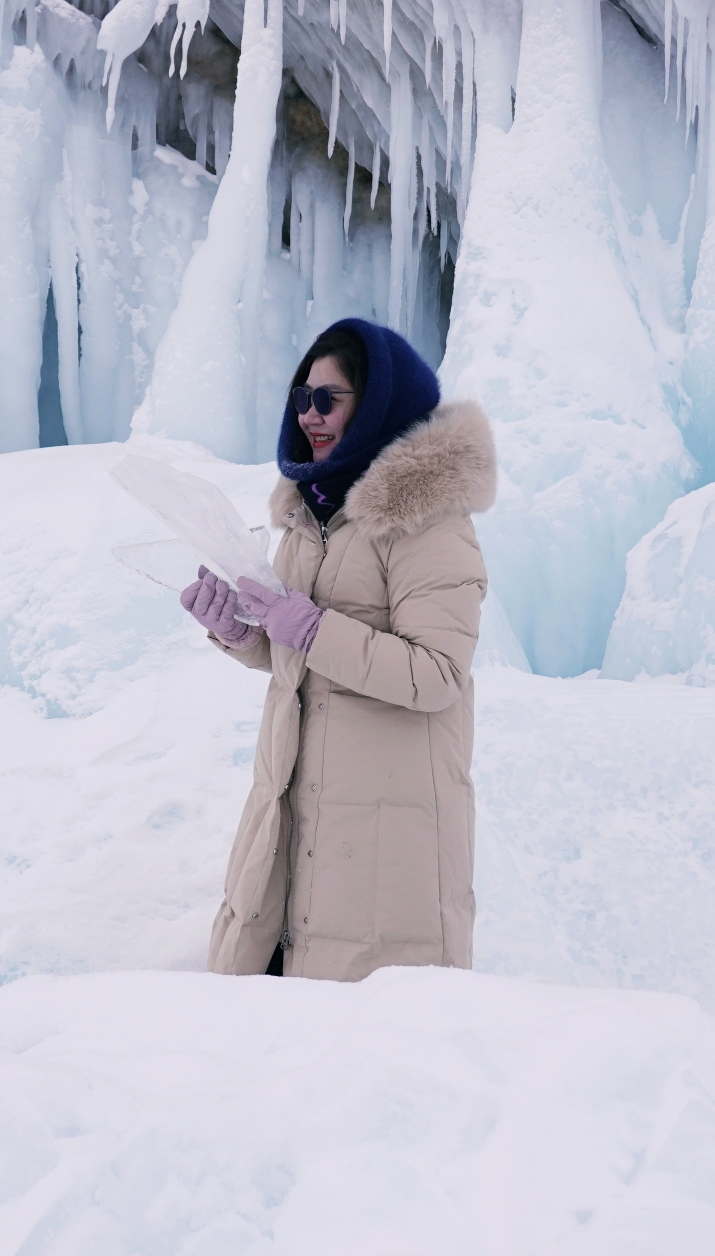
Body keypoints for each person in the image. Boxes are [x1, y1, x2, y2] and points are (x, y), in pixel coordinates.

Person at [180, 318, 495, 981]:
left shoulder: (430, 524)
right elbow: (304, 655)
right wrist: (244, 634)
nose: (311, 416)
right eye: (302, 398)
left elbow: (436, 674)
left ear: (380, 402)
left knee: (358, 1055)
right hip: (298, 812)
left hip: (382, 847)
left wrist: (310, 627)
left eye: (329, 399)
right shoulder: (309, 517)